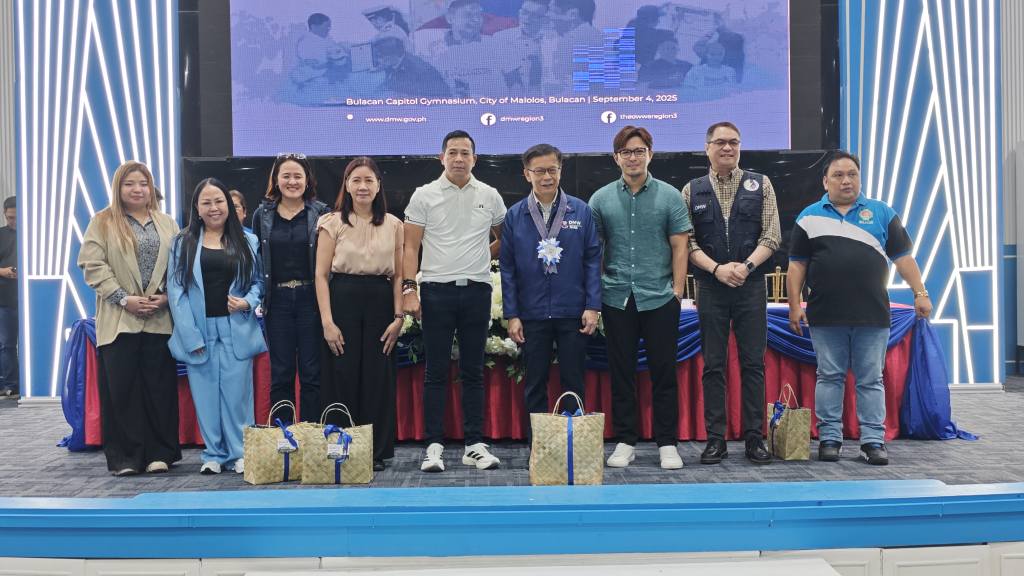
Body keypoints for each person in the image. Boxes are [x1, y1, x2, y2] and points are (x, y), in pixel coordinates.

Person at [787, 151, 932, 466]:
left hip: (872, 313)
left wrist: (920, 293)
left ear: (860, 178)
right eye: (838, 175)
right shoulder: (809, 216)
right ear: (825, 181)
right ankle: (830, 438)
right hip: (825, 314)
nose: (846, 181)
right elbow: (797, 265)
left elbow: (903, 258)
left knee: (870, 379)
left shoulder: (881, 213)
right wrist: (794, 304)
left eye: (852, 174)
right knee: (829, 376)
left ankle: (872, 441)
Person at [403, 130, 506, 473]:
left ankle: (474, 444)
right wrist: (409, 288)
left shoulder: (490, 195)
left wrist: (478, 256)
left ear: (475, 158)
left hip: (477, 291)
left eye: (465, 153)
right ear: (441, 157)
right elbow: (410, 247)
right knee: (435, 371)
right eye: (453, 152)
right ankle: (433, 446)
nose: (459, 158)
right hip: (436, 291)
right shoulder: (424, 195)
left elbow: (504, 239)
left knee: (473, 371)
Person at [589, 126, 691, 470]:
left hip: (659, 296)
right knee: (621, 373)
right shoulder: (600, 199)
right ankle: (626, 441)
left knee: (664, 372)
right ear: (616, 157)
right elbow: (594, 250)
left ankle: (667, 443)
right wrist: (598, 289)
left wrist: (677, 291)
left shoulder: (670, 196)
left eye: (639, 151)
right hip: (617, 297)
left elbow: (680, 246)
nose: (633, 157)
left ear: (650, 154)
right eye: (626, 152)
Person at [682, 121, 781, 466]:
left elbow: (772, 235)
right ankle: (715, 439)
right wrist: (717, 269)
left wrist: (746, 267)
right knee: (713, 365)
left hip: (750, 286)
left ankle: (755, 438)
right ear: (707, 147)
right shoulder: (691, 190)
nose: (728, 148)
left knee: (753, 363)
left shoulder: (760, 183)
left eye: (734, 142)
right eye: (721, 142)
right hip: (710, 286)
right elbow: (687, 242)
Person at [78, 161, 180, 476]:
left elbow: (179, 266)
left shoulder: (167, 223)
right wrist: (124, 299)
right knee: (122, 390)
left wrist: (166, 297)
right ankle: (126, 458)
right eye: (130, 184)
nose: (137, 189)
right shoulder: (102, 221)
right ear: (118, 188)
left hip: (159, 319)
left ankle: (160, 453)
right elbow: (92, 265)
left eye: (143, 183)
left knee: (159, 389)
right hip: (119, 319)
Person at [499, 144, 601, 429]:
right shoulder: (515, 215)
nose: (547, 177)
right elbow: (507, 268)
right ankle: (539, 446)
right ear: (527, 174)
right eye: (540, 171)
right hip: (532, 313)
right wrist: (512, 314)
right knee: (534, 382)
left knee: (573, 382)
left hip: (573, 311)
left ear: (560, 171)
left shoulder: (580, 211)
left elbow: (593, 260)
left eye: (552, 170)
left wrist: (593, 306)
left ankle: (573, 444)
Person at [168, 178, 265, 475]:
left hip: (237, 328)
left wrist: (247, 301)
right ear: (197, 208)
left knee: (238, 397)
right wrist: (189, 335)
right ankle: (213, 454)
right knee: (205, 396)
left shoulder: (248, 241)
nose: (214, 208)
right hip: (199, 330)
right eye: (206, 202)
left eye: (219, 201)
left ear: (229, 205)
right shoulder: (183, 242)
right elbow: (176, 291)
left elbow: (258, 283)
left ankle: (241, 453)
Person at [315, 157, 404, 472]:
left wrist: (398, 317)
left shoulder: (394, 224)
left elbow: (398, 275)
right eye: (356, 180)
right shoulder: (331, 222)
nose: (363, 186)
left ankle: (375, 451)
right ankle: (341, 445)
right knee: (341, 373)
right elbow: (321, 275)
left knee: (378, 377)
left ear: (379, 185)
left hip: (381, 300)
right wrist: (327, 322)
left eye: (369, 180)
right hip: (342, 298)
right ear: (347, 185)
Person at [251, 154, 330, 424]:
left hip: (311, 299)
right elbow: (258, 259)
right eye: (286, 176)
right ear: (276, 180)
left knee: (311, 372)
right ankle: (283, 436)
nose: (292, 181)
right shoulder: (262, 215)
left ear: (307, 180)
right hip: (278, 300)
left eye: (298, 176)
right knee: (281, 373)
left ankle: (311, 433)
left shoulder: (321, 213)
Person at [542, 0, 603, 95]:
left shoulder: (573, 42)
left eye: (553, 11)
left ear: (573, 14)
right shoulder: (596, 36)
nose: (548, 15)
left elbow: (568, 87)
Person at [489, 0, 549, 95]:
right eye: (524, 12)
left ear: (545, 19)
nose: (527, 18)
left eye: (534, 15)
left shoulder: (553, 41)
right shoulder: (501, 38)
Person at [373, 36, 452, 98]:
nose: (377, 60)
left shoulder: (418, 69)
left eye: (380, 56)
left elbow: (443, 93)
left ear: (394, 55)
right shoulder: (395, 61)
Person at [0, 197, 18, 398]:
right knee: (6, 344)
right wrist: (3, 271)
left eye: (16, 217)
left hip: (28, 299)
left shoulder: (32, 236)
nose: (13, 221)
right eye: (10, 217)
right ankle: (11, 385)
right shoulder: (1, 235)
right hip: (4, 299)